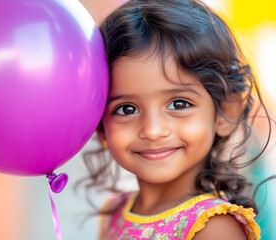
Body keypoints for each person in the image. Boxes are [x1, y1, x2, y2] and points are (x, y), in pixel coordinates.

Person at [81, 0, 273, 239]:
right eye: (127, 109)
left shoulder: (214, 227)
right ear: (100, 126)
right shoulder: (115, 211)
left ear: (226, 112)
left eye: (179, 104)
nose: (152, 130)